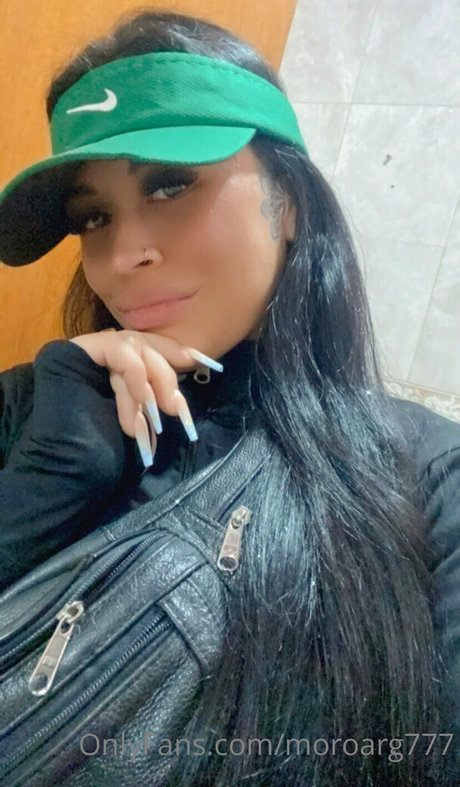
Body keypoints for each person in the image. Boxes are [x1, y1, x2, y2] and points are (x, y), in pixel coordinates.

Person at [0, 9, 459, 786]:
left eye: (171, 183)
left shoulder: (426, 480)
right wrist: (48, 481)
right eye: (93, 216)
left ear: (289, 203)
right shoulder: (32, 409)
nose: (122, 254)